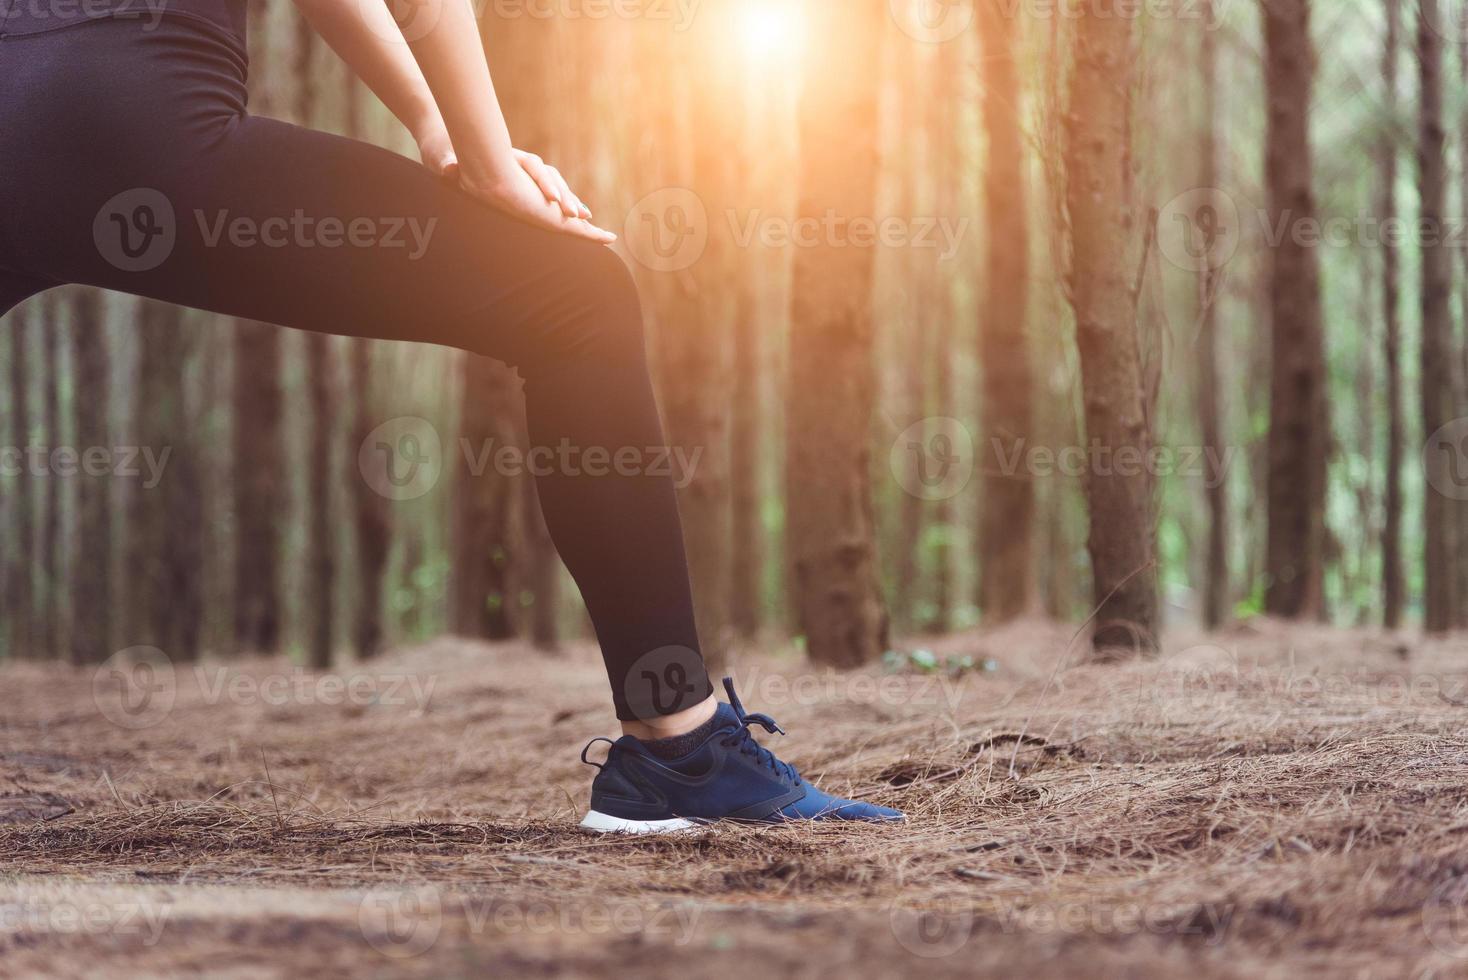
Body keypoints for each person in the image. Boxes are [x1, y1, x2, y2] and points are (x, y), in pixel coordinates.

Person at [0, 0, 903, 831]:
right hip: (136, 115)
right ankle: (681, 753)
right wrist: (486, 153)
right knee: (575, 298)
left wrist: (434, 121)